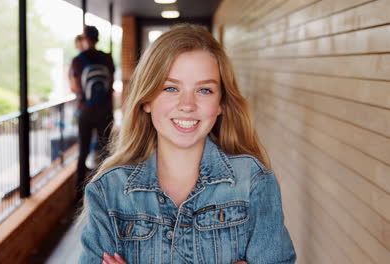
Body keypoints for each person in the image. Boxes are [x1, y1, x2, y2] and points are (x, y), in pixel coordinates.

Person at [77, 24, 296, 264]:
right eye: (171, 88)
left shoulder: (254, 183)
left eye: (204, 90)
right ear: (147, 99)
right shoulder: (108, 191)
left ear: (221, 103)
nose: (187, 105)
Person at [70, 26, 115, 195]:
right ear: (97, 39)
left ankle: (79, 192)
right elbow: (110, 83)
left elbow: (74, 87)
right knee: (105, 150)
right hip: (105, 110)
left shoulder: (77, 60)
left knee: (83, 150)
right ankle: (107, 188)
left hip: (85, 111)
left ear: (85, 39)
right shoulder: (107, 58)